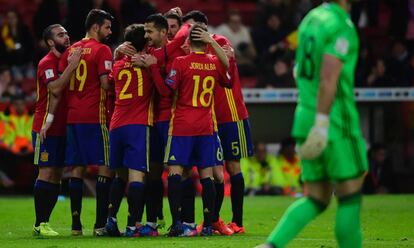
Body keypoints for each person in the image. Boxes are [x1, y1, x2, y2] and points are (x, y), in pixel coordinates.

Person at [259, 1, 368, 247]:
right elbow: (329, 78)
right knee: (350, 197)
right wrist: (322, 122)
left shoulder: (311, 18)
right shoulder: (341, 25)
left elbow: (298, 70)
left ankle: (271, 245)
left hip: (305, 116)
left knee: (317, 198)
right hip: (334, 120)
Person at [182, 10, 253, 235]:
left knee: (233, 166)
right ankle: (213, 220)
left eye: (191, 26)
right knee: (214, 171)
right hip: (209, 118)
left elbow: (228, 70)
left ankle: (237, 221)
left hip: (231, 115)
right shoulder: (191, 48)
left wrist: (212, 42)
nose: (188, 32)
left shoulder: (220, 42)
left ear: (203, 27)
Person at [163, 23, 231, 237]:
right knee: (206, 175)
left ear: (189, 42)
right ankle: (209, 226)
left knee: (175, 172)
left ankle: (176, 224)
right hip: (205, 127)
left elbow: (168, 88)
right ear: (206, 41)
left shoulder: (180, 62)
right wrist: (212, 43)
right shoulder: (213, 63)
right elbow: (226, 65)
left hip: (182, 125)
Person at [104, 23, 168, 237]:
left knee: (118, 176)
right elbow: (163, 90)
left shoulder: (117, 65)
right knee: (137, 177)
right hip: (138, 125)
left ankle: (111, 222)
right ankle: (132, 226)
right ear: (146, 42)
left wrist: (117, 55)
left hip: (116, 125)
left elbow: (109, 85)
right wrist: (152, 66)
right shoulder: (148, 65)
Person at [58, 9, 114, 236]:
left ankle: (75, 226)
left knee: (77, 168)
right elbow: (106, 85)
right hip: (95, 116)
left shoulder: (71, 50)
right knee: (106, 165)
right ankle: (100, 225)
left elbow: (63, 80)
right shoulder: (102, 50)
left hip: (73, 116)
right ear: (95, 27)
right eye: (107, 27)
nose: (110, 31)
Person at [31, 24, 81, 237]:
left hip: (64, 126)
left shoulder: (65, 59)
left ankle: (45, 222)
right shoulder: (47, 63)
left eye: (67, 33)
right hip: (45, 127)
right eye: (61, 35)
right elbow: (55, 88)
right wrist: (72, 66)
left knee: (57, 175)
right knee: (46, 172)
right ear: (51, 42)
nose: (66, 36)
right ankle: (39, 223)